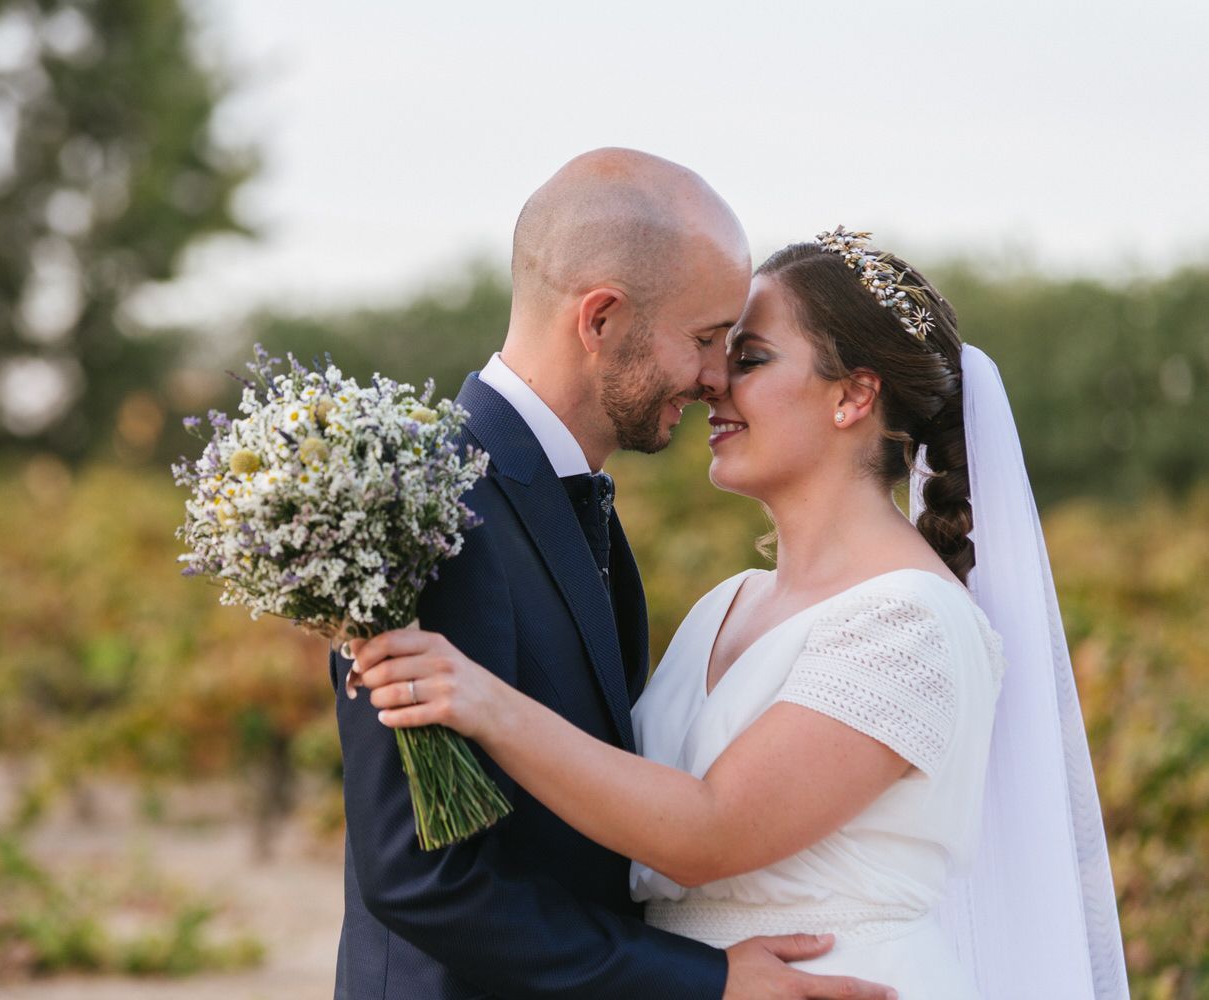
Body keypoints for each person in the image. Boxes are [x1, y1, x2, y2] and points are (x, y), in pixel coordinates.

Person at [352, 229, 1130, 997]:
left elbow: (709, 832)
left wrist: (486, 702)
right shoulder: (726, 604)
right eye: (718, 351)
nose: (712, 382)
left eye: (750, 358)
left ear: (854, 395)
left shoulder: (912, 621)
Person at [330, 153, 897, 999]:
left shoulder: (576, 503)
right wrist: (703, 982)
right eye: (706, 340)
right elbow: (422, 878)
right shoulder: (432, 505)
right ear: (599, 319)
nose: (716, 382)